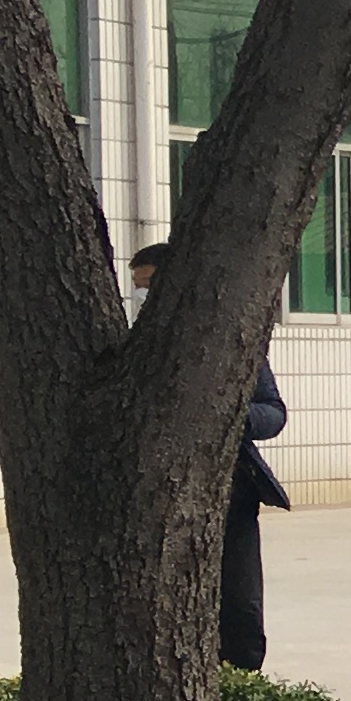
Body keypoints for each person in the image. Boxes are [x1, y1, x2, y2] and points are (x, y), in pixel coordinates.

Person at [126, 240, 289, 671]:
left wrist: (229, 417)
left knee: (241, 607)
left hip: (231, 496)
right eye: (138, 289)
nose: (143, 298)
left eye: (149, 286)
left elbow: (274, 413)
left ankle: (243, 684)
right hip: (160, 501)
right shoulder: (133, 348)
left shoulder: (233, 341)